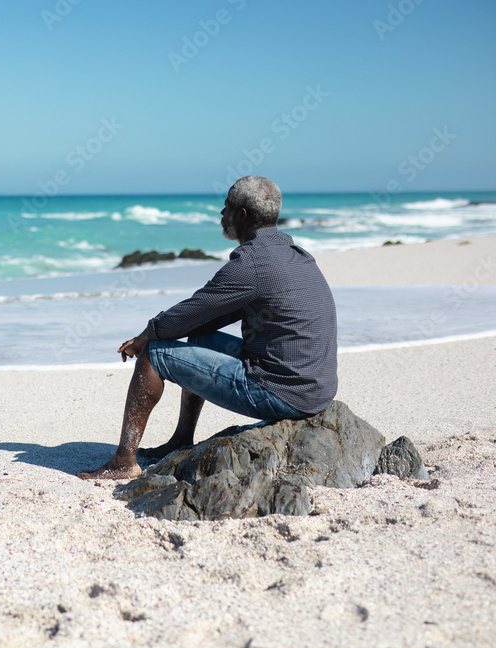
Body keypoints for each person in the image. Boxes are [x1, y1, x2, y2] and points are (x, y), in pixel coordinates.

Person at [79, 175, 337, 480]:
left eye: (226, 207)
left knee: (154, 355)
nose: (221, 214)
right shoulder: (295, 254)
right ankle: (181, 439)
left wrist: (146, 335)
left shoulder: (251, 262)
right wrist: (169, 329)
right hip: (314, 387)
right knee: (198, 338)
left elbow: (195, 308)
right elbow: (209, 316)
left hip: (281, 391)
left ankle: (124, 461)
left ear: (241, 215)